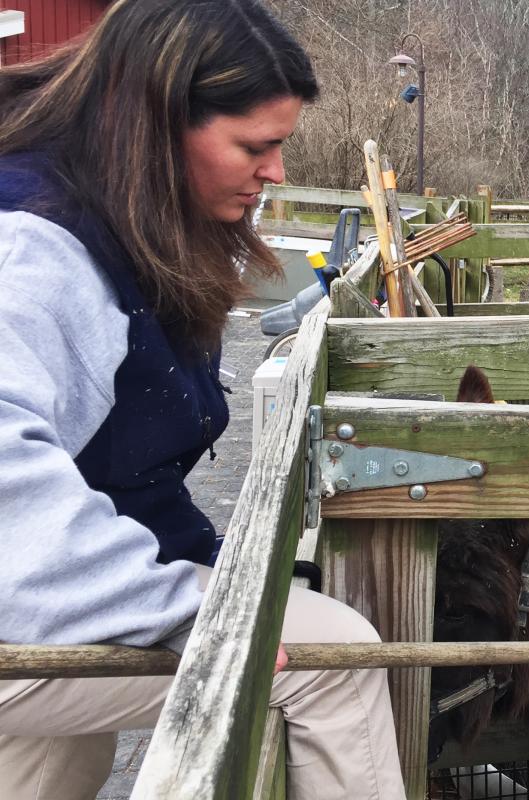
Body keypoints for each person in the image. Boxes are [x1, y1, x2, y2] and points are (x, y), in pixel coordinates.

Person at [0, 1, 406, 797]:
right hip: (18, 589)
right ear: (154, 126)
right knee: (332, 659)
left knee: (52, 758)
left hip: (29, 595)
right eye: (257, 146)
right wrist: (191, 613)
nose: (278, 173)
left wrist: (195, 573)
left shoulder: (120, 214)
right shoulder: (36, 247)